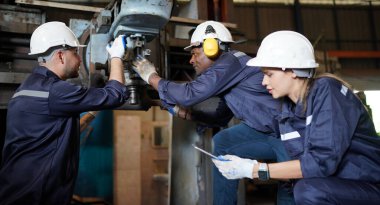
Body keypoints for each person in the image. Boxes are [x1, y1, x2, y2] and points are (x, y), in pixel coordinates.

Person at [132, 20, 295, 205]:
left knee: (290, 187)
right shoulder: (229, 76)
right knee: (224, 141)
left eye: (195, 53)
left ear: (212, 47)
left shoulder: (230, 61)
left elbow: (188, 94)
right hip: (269, 132)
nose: (191, 60)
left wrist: (151, 77)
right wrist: (179, 111)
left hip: (288, 132)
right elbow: (220, 117)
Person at [213, 30, 380, 205]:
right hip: (338, 186)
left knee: (307, 191)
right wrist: (244, 167)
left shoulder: (327, 91)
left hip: (368, 185)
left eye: (269, 74)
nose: (263, 82)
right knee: (298, 187)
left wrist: (255, 170)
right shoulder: (287, 113)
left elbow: (321, 163)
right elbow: (301, 166)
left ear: (292, 70)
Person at [0, 21, 129, 205]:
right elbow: (117, 95)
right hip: (38, 197)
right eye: (75, 52)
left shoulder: (27, 89)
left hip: (16, 192)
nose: (78, 59)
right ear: (60, 56)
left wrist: (92, 109)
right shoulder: (56, 92)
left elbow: (55, 133)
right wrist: (116, 57)